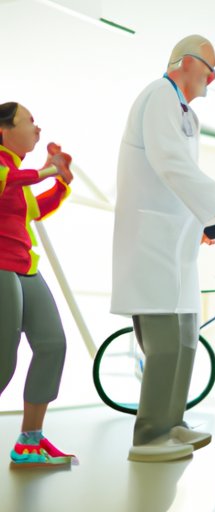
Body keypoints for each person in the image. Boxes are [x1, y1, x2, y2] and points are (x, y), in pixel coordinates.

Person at [110, 34, 215, 462]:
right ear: (185, 62)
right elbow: (169, 161)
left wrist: (203, 222)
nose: (214, 76)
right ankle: (149, 435)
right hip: (150, 243)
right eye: (210, 66)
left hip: (178, 243)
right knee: (165, 345)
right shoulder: (158, 95)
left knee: (188, 340)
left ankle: (173, 422)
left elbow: (181, 176)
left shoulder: (185, 112)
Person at [0, 102, 77, 468]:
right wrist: (49, 169)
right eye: (29, 121)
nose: (37, 128)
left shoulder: (15, 172)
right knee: (3, 357)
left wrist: (60, 182)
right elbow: (13, 179)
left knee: (52, 345)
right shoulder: (6, 169)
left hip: (24, 267)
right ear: (3, 131)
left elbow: (35, 210)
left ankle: (29, 441)